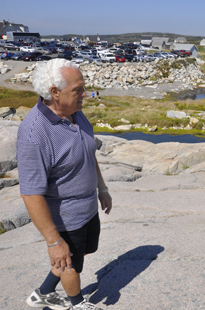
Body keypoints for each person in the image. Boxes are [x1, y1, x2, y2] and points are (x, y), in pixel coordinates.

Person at [16, 59, 112, 310]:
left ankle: (44, 293)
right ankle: (77, 304)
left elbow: (88, 152)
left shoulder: (75, 113)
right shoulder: (34, 134)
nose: (86, 94)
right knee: (69, 263)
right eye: (78, 90)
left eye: (84, 87)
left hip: (87, 209)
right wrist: (53, 242)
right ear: (54, 92)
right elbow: (30, 193)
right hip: (65, 217)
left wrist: (102, 189)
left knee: (79, 255)